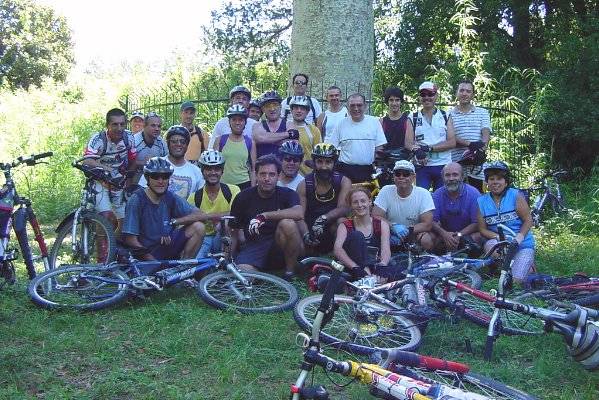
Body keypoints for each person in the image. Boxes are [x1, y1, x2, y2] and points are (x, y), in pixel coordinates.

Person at [229, 155, 304, 280]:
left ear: (278, 176)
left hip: (280, 244)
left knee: (288, 223)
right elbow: (233, 232)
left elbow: (299, 213)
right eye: (262, 174)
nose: (267, 178)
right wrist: (228, 259)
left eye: (271, 174)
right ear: (256, 175)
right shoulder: (243, 197)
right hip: (254, 246)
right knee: (243, 277)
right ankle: (260, 274)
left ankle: (289, 273)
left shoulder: (288, 194)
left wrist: (265, 216)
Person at [122, 157, 204, 261]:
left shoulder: (169, 197)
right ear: (147, 178)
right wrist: (153, 262)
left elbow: (199, 214)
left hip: (166, 247)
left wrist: (174, 223)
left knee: (199, 227)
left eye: (165, 177)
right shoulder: (137, 200)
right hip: (145, 253)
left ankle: (184, 267)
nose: (160, 181)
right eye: (155, 176)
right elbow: (130, 240)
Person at [477, 161, 535, 283]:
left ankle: (526, 265)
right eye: (491, 179)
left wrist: (519, 237)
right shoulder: (481, 201)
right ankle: (500, 268)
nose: (495, 182)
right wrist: (498, 237)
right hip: (500, 243)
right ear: (487, 182)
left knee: (515, 281)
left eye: (499, 179)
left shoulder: (515, 195)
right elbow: (482, 229)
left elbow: (528, 220)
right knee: (490, 245)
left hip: (521, 244)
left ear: (506, 181)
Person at [83, 108, 136, 231]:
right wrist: (107, 169)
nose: (119, 128)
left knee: (124, 222)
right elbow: (87, 160)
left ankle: (114, 248)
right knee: (106, 218)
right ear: (107, 125)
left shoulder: (129, 137)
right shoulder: (98, 139)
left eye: (122, 124)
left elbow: (133, 159)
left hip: (118, 182)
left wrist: (128, 178)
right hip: (100, 182)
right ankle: (102, 250)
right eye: (115, 124)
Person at [297, 143, 351, 253]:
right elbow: (299, 216)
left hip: (331, 226)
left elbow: (344, 208)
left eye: (328, 162)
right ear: (314, 162)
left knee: (342, 222)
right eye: (320, 162)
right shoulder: (304, 184)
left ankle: (339, 257)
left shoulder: (343, 181)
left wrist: (323, 219)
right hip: (308, 227)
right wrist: (306, 234)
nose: (324, 166)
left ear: (334, 163)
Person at [372, 160, 435, 250]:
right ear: (393, 177)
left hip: (414, 234)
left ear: (413, 177)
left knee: (426, 239)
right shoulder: (385, 190)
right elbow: (375, 216)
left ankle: (426, 261)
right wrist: (392, 226)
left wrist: (407, 230)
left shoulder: (423, 193)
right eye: (398, 174)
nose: (401, 177)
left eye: (406, 174)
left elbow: (427, 224)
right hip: (391, 233)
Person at [405, 81, 456, 191]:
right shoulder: (413, 116)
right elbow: (408, 142)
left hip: (443, 165)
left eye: (430, 94)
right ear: (419, 97)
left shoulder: (445, 115)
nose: (427, 97)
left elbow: (452, 142)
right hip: (422, 166)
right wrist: (416, 150)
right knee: (422, 198)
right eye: (423, 94)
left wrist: (429, 148)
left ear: (436, 96)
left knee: (442, 198)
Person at [188, 150, 240, 258]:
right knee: (198, 265)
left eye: (217, 169)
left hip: (224, 236)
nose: (213, 172)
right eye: (208, 169)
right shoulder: (195, 197)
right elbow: (189, 221)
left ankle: (227, 262)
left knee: (226, 223)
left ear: (222, 171)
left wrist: (207, 216)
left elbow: (235, 214)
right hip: (204, 238)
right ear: (202, 171)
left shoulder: (232, 190)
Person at [325, 93, 387, 183]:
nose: (356, 108)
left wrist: (377, 165)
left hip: (367, 170)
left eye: (359, 105)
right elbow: (331, 147)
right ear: (347, 107)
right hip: (345, 170)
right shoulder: (341, 124)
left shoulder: (374, 122)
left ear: (365, 106)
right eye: (352, 105)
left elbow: (379, 147)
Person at [334, 187, 391, 280]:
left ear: (370, 202)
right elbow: (338, 250)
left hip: (374, 265)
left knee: (399, 273)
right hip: (352, 267)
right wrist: (354, 267)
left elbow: (385, 249)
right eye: (355, 202)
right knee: (357, 235)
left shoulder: (382, 224)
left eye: (363, 201)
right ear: (351, 205)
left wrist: (382, 265)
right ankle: (367, 277)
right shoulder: (345, 226)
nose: (360, 205)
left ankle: (372, 278)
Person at [138, 125, 204, 200]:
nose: (178, 144)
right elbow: (141, 194)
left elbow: (200, 199)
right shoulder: (155, 165)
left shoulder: (196, 172)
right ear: (168, 143)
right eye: (174, 141)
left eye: (182, 141)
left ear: (187, 144)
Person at [449, 80, 492, 193]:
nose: (464, 93)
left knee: (478, 198)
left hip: (477, 167)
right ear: (456, 93)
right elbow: (450, 137)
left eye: (468, 91)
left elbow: (486, 131)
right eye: (461, 90)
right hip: (456, 164)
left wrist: (481, 149)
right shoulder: (448, 114)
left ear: (473, 95)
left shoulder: (483, 112)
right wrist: (471, 145)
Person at [430, 162, 481, 253]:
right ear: (443, 178)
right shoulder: (437, 194)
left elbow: (477, 223)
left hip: (466, 234)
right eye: (447, 175)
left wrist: (459, 235)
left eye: (455, 175)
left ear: (462, 177)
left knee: (477, 236)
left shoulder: (474, 193)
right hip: (445, 234)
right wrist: (444, 234)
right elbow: (432, 221)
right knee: (429, 237)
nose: (451, 178)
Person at [214, 105, 256, 190]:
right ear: (229, 122)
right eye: (234, 120)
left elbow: (253, 169)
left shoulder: (250, 142)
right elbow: (214, 166)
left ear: (245, 122)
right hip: (223, 184)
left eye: (240, 120)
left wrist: (253, 190)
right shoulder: (220, 140)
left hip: (244, 184)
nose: (237, 123)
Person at [286, 96, 322, 175]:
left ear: (307, 111)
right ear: (291, 110)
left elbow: (318, 155)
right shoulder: (284, 128)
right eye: (296, 108)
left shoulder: (314, 130)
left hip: (307, 175)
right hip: (287, 175)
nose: (299, 111)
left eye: (302, 108)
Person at [252, 90, 292, 158]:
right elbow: (260, 138)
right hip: (262, 167)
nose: (272, 109)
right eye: (268, 106)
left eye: (275, 104)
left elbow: (292, 145)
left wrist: (267, 139)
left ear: (280, 106)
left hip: (283, 167)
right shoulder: (257, 125)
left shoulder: (289, 124)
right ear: (263, 109)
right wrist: (288, 134)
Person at [132, 112, 167, 184]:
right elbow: (126, 164)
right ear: (144, 126)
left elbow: (168, 161)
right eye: (153, 125)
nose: (157, 129)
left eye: (159, 126)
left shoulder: (162, 143)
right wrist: (142, 163)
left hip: (156, 183)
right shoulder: (134, 142)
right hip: (136, 183)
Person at [380, 86, 409, 151]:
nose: (394, 103)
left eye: (397, 100)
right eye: (391, 100)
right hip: (386, 158)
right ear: (387, 102)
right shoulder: (381, 122)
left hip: (404, 159)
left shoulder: (408, 121)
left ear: (401, 101)